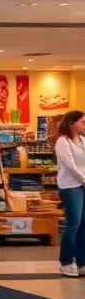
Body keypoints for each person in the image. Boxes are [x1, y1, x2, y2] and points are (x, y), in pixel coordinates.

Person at [54, 110, 85, 277]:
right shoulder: (62, 142)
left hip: (83, 185)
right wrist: (84, 179)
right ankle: (66, 262)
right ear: (72, 123)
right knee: (73, 224)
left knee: (83, 226)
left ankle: (82, 263)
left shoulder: (82, 140)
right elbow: (70, 166)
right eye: (82, 122)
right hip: (70, 187)